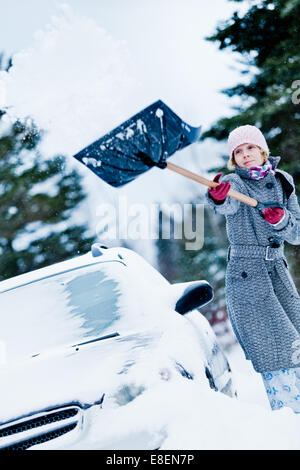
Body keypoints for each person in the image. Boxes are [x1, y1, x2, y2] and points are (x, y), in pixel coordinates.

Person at [206, 124, 300, 413]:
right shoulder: (236, 184)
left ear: (262, 150)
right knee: (276, 349)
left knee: (296, 341)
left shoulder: (283, 182)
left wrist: (281, 220)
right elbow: (224, 204)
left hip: (278, 273)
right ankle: (288, 417)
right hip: (248, 276)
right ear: (234, 159)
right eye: (238, 151)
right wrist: (218, 196)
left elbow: (296, 235)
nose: (245, 155)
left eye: (250, 148)